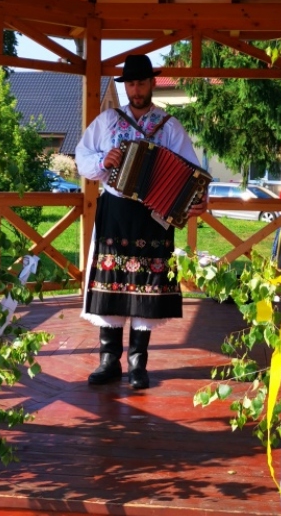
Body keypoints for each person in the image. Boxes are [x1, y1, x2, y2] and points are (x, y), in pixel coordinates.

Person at [74, 54, 207, 390]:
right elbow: (81, 159)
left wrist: (198, 200)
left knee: (147, 285)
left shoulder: (169, 125)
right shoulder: (106, 121)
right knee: (111, 282)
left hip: (153, 215)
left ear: (151, 84)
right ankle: (108, 361)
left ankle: (138, 363)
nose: (136, 89)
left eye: (142, 83)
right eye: (131, 83)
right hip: (115, 211)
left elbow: (192, 173)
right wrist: (105, 159)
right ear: (126, 86)